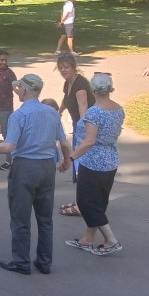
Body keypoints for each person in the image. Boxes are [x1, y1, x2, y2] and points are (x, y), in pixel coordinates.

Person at [0, 73, 72, 275]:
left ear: (24, 90)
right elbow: (64, 143)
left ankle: (21, 261)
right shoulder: (51, 112)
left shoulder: (19, 115)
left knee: (20, 217)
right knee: (45, 218)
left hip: (25, 167)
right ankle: (44, 261)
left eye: (19, 88)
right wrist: (65, 160)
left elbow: (9, 146)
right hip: (47, 166)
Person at [66, 72, 125, 256]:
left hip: (93, 161)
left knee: (85, 201)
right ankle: (87, 239)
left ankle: (111, 240)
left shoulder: (95, 112)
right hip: (111, 158)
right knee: (99, 200)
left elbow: (89, 141)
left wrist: (71, 157)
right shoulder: (118, 109)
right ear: (110, 88)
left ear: (93, 89)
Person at [55, 52, 95, 212]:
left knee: (81, 166)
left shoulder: (81, 86)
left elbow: (83, 108)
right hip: (78, 125)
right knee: (78, 166)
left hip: (84, 127)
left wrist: (83, 132)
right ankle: (81, 201)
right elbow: (66, 98)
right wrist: (59, 111)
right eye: (60, 68)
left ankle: (83, 205)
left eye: (66, 67)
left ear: (73, 67)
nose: (63, 71)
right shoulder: (68, 83)